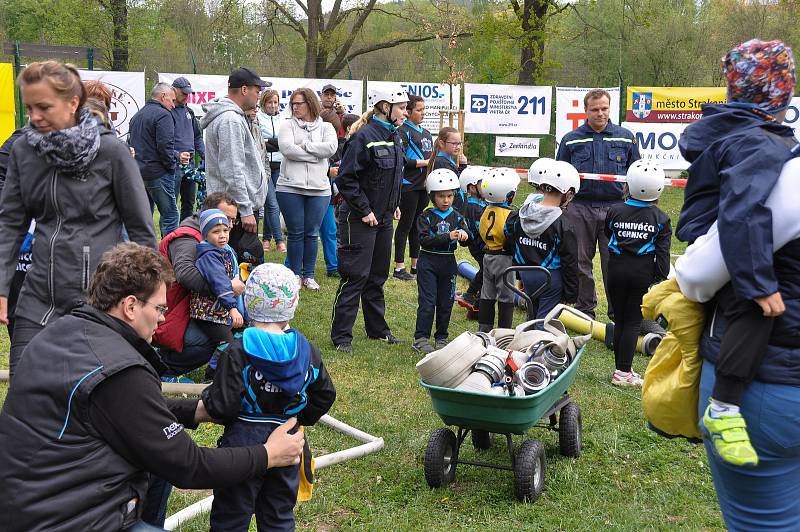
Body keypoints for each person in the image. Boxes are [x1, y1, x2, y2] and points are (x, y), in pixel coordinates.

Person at [0, 243, 305, 531]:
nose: (162, 319)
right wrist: (268, 454)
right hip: (66, 521)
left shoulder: (62, 331)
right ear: (130, 306)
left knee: (156, 462)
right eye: (160, 309)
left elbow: (123, 411)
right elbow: (189, 466)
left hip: (28, 502)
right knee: (165, 460)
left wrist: (198, 411)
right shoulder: (120, 370)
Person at [678, 39, 797, 473]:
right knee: (755, 309)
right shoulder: (760, 145)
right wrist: (758, 283)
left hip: (707, 228)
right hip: (721, 238)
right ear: (780, 94)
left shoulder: (737, 131)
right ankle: (725, 406)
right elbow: (743, 212)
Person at [0, 61, 156, 377]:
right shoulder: (23, 152)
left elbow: (141, 227)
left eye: (44, 107)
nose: (34, 117)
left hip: (99, 303)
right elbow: (10, 224)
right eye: (29, 107)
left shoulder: (110, 151)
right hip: (37, 301)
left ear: (73, 102)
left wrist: (148, 296)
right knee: (25, 394)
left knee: (89, 403)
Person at [202, 263, 336, 531]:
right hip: (287, 443)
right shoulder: (308, 352)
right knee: (278, 515)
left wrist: (210, 397)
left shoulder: (237, 351)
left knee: (230, 516)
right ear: (293, 303)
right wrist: (299, 417)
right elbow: (325, 394)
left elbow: (222, 407)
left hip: (242, 448)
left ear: (248, 301)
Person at [330, 86, 408, 352]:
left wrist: (394, 204)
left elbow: (393, 175)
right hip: (359, 220)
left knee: (377, 276)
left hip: (384, 218)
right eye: (401, 107)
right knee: (356, 276)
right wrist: (365, 210)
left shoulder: (395, 136)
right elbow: (346, 179)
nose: (405, 112)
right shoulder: (363, 137)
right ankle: (342, 337)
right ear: (385, 107)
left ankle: (377, 330)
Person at [556, 88, 640, 319]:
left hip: (615, 209)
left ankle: (617, 311)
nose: (600, 114)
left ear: (610, 108)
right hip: (579, 208)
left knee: (614, 262)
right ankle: (585, 311)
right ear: (586, 111)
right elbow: (559, 175)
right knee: (581, 262)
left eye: (604, 108)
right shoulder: (571, 139)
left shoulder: (626, 137)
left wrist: (632, 206)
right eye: (595, 109)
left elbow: (636, 173)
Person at [153, 192, 244, 379]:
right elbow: (186, 275)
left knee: (231, 330)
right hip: (168, 316)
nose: (228, 225)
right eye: (225, 218)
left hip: (190, 309)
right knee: (215, 336)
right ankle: (164, 370)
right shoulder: (187, 239)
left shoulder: (210, 238)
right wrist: (226, 289)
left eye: (232, 221)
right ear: (206, 214)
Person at [604, 161, 671, 386]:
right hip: (641, 273)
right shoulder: (661, 218)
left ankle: (620, 369)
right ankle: (623, 373)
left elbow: (607, 232)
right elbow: (663, 256)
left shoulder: (614, 210)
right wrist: (659, 280)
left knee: (621, 320)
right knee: (633, 322)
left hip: (614, 269)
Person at [200, 67, 269, 265]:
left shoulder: (233, 117)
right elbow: (232, 169)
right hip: (234, 209)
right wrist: (246, 210)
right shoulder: (230, 120)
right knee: (238, 267)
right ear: (245, 90)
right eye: (257, 90)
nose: (259, 95)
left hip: (234, 204)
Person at [276, 87, 338, 290]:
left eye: (299, 103)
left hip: (319, 189)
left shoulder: (327, 127)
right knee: (295, 232)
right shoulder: (287, 126)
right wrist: (316, 153)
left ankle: (308, 275)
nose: (295, 107)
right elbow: (287, 150)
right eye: (293, 104)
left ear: (310, 103)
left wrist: (304, 146)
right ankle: (294, 274)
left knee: (312, 233)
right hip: (290, 187)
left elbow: (330, 148)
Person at [505, 159, 579, 320]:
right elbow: (570, 262)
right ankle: (539, 344)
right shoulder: (563, 224)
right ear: (569, 194)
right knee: (545, 322)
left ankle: (526, 342)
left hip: (526, 274)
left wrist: (519, 273)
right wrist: (571, 294)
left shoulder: (519, 215)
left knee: (532, 316)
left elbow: (512, 243)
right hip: (549, 278)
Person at [412, 169, 470, 354]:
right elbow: (424, 240)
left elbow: (467, 236)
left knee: (446, 302)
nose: (446, 200)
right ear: (432, 196)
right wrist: (448, 236)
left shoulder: (458, 216)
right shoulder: (426, 216)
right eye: (441, 196)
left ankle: (441, 337)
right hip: (428, 262)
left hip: (448, 263)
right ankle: (420, 338)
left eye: (450, 196)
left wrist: (464, 235)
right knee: (428, 302)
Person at [129, 81, 182, 237]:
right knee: (171, 216)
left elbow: (131, 143)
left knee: (143, 218)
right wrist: (172, 167)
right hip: (159, 174)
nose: (173, 105)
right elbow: (165, 146)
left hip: (139, 173)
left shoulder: (137, 116)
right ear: (163, 96)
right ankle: (168, 255)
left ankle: (140, 255)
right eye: (172, 100)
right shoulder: (163, 115)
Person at [190, 208, 245, 348]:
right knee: (227, 345)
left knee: (239, 337)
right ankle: (217, 368)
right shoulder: (209, 256)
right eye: (216, 231)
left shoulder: (223, 251)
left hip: (219, 311)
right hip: (208, 314)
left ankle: (231, 363)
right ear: (205, 235)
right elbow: (219, 282)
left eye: (225, 230)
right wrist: (233, 308)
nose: (222, 236)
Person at [393, 94, 433, 281]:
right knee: (405, 225)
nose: (423, 113)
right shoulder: (402, 131)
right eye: (419, 110)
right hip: (408, 185)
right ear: (408, 112)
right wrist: (423, 162)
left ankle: (416, 264)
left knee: (417, 225)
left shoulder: (426, 133)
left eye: (424, 109)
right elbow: (401, 159)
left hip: (423, 186)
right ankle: (399, 267)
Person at [476, 167, 520, 332]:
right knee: (506, 296)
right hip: (504, 258)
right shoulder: (510, 215)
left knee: (487, 294)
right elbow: (511, 238)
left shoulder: (485, 210)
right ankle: (504, 332)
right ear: (508, 195)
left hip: (488, 256)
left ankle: (484, 330)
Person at [323, 113, 360, 278]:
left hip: (335, 196)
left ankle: (334, 266)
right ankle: (297, 269)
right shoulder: (337, 147)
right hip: (325, 194)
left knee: (332, 231)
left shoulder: (354, 145)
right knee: (306, 233)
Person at [171, 77, 206, 222]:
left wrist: (205, 155)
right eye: (183, 93)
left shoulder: (189, 112)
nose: (186, 96)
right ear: (174, 90)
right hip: (173, 164)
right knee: (171, 206)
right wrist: (176, 155)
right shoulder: (167, 111)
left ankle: (185, 233)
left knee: (189, 203)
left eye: (188, 93)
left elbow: (197, 137)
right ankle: (169, 238)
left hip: (190, 164)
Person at [257, 89, 287, 253]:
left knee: (275, 204)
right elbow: (260, 142)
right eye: (269, 102)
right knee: (272, 203)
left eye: (275, 102)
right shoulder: (258, 118)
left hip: (281, 165)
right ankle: (279, 240)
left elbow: (285, 142)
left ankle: (266, 239)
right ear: (263, 103)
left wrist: (273, 141)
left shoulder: (283, 119)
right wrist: (275, 143)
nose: (273, 105)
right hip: (264, 165)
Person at [454, 165, 487, 313]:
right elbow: (482, 229)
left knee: (486, 270)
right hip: (480, 245)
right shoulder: (475, 207)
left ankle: (473, 298)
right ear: (473, 188)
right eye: (483, 184)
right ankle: (471, 296)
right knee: (487, 271)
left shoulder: (479, 204)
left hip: (480, 244)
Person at [429, 126, 468, 213]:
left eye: (459, 143)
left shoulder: (447, 160)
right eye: (454, 144)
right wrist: (463, 167)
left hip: (456, 208)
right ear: (442, 143)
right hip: (451, 210)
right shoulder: (441, 162)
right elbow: (456, 183)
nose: (458, 147)